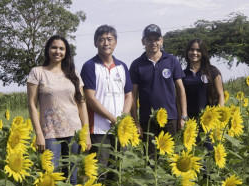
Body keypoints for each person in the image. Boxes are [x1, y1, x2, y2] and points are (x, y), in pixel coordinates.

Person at [27, 35, 91, 185]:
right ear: (48, 50)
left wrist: (85, 133)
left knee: (71, 176)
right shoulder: (37, 72)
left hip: (74, 132)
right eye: (54, 47)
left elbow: (82, 104)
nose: (57, 51)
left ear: (66, 52)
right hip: (49, 132)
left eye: (61, 48)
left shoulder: (73, 74)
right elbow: (31, 104)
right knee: (51, 175)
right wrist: (38, 133)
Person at [130, 24, 187, 159]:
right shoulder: (137, 64)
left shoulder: (172, 61)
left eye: (156, 39)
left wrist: (183, 115)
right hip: (147, 120)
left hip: (170, 118)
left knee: (171, 158)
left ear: (161, 41)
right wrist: (136, 122)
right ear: (143, 42)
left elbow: (180, 89)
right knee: (150, 159)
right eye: (149, 39)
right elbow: (133, 95)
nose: (153, 42)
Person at [80, 25, 133, 166]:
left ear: (115, 42)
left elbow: (129, 95)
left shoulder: (122, 67)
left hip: (120, 129)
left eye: (109, 39)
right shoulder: (90, 66)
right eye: (101, 39)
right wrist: (112, 118)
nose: (106, 43)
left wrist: (122, 119)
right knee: (100, 170)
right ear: (95, 43)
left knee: (119, 170)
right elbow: (90, 98)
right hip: (98, 129)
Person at [182, 38, 224, 150]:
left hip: (208, 121)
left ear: (203, 53)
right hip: (189, 121)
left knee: (208, 152)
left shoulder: (212, 71)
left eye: (198, 50)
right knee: (193, 154)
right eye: (191, 50)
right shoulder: (183, 74)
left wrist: (218, 118)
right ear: (187, 52)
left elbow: (221, 95)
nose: (194, 53)